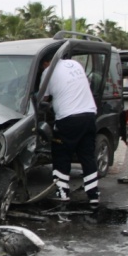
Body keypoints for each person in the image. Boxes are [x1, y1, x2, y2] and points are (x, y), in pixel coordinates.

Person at [45, 59, 100, 206]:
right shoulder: (75, 64)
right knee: (87, 156)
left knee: (61, 155)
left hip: (67, 119)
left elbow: (42, 98)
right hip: (89, 115)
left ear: (45, 62)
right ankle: (93, 194)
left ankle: (62, 193)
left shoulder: (47, 71)